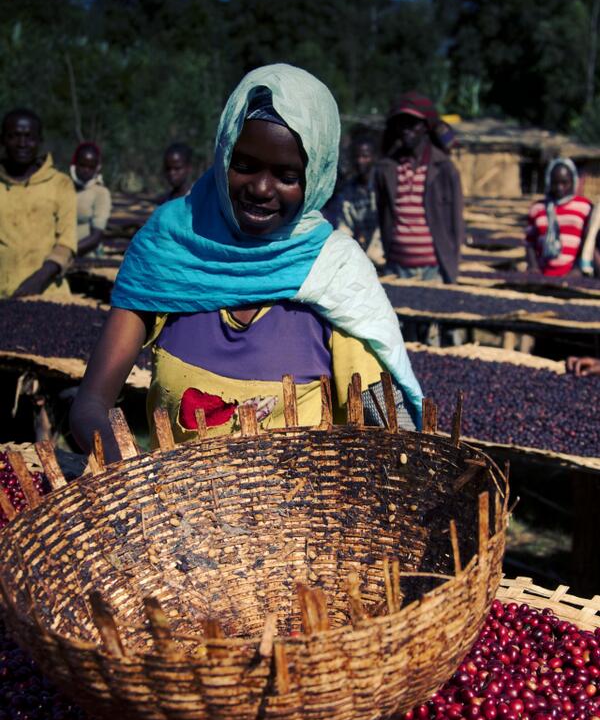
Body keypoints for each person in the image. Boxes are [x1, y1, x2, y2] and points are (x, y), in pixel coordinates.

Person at [70, 64, 422, 461]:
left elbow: (394, 434)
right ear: (223, 156)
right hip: (170, 500)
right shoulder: (169, 248)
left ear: (316, 177)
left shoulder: (335, 273)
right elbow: (90, 406)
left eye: (287, 176)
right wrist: (138, 475)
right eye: (245, 166)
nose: (260, 188)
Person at [375, 91, 464, 285]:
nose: (406, 130)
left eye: (412, 124)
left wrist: (452, 265)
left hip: (434, 269)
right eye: (401, 124)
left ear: (425, 127)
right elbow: (383, 217)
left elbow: (455, 221)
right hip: (397, 268)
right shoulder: (387, 169)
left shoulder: (444, 168)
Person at [0, 108, 76, 298]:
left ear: (40, 141)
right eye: (14, 136)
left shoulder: (60, 184)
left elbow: (67, 243)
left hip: (47, 293)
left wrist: (37, 280)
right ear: (3, 140)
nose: (22, 143)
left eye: (29, 137)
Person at [525, 158, 593, 277]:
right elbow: (529, 243)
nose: (559, 188)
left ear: (573, 181)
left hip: (574, 274)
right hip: (544, 274)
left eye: (564, 183)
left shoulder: (585, 207)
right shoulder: (538, 208)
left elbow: (589, 241)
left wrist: (578, 268)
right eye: (555, 183)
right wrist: (533, 267)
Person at [334, 132, 384, 269]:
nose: (360, 161)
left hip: (385, 255)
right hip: (364, 257)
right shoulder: (349, 190)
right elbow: (345, 226)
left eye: (365, 156)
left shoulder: (382, 185)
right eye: (357, 157)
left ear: (374, 157)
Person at [71, 141, 112, 257]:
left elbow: (96, 237)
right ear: (75, 164)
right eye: (82, 165)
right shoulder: (64, 188)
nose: (86, 170)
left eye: (91, 167)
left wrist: (67, 252)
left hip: (86, 254)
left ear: (97, 168)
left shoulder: (101, 193)